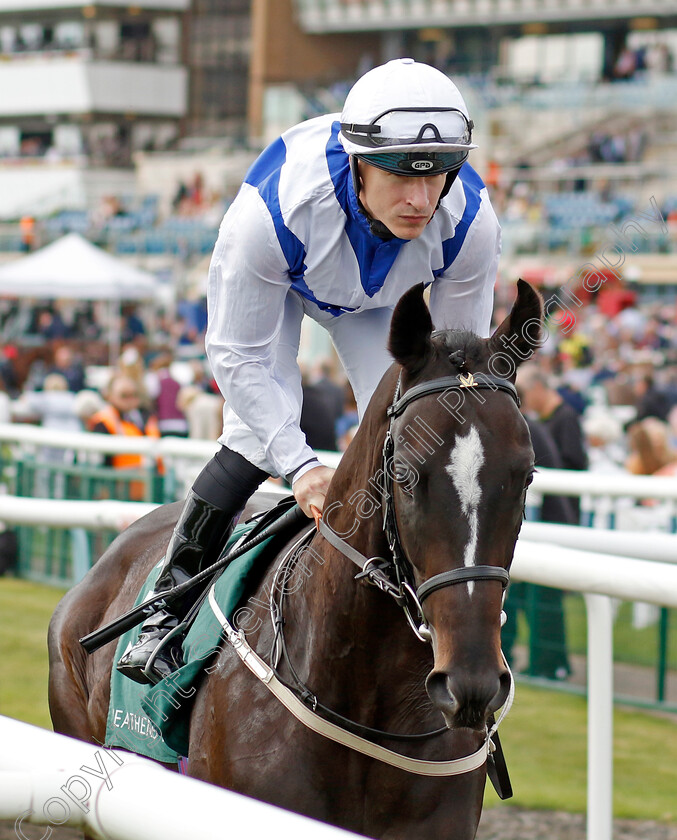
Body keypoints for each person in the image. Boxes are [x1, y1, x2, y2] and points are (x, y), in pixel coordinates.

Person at [117, 57, 502, 684]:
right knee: (254, 433)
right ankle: (168, 607)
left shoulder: (473, 222)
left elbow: (452, 365)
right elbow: (236, 355)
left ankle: (424, 614)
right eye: (401, 173)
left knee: (419, 428)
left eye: (437, 176)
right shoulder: (270, 214)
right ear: (357, 160)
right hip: (286, 275)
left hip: (378, 307)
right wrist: (301, 468)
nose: (420, 199)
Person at [87, 373, 161, 501]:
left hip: (148, 490)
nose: (130, 400)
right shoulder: (103, 422)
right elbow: (101, 465)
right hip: (117, 492)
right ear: (109, 396)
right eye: (124, 396)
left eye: (134, 395)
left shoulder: (145, 416)